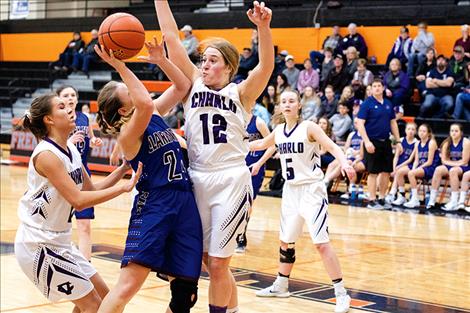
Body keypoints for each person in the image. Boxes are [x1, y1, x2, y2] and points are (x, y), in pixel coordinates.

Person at [154, 1, 274, 312]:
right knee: (209, 261)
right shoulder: (192, 83)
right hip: (197, 178)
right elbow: (170, 37)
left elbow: (265, 68)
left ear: (229, 67)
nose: (205, 65)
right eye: (203, 60)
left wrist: (263, 28)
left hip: (231, 179)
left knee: (219, 264)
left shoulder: (242, 93)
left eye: (212, 60)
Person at [93, 37, 203, 313]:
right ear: (122, 109)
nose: (136, 91)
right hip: (155, 203)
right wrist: (119, 65)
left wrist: (162, 60)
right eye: (128, 92)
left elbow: (183, 86)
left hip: (184, 200)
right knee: (129, 286)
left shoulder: (150, 111)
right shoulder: (129, 134)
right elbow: (143, 101)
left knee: (185, 293)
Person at [15, 93, 141, 312]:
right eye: (62, 107)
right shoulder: (47, 155)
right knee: (93, 305)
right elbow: (79, 200)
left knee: (107, 299)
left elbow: (90, 189)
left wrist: (123, 170)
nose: (70, 109)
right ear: (49, 119)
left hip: (61, 242)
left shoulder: (71, 149)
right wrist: (123, 188)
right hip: (39, 245)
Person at [250, 90, 354, 313]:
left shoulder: (309, 127)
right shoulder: (278, 131)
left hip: (311, 190)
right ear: (279, 106)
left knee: (321, 243)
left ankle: (341, 293)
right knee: (285, 241)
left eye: (291, 101)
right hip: (290, 191)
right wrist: (233, 144)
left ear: (299, 105)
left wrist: (344, 163)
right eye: (283, 101)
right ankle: (281, 284)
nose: (287, 104)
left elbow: (334, 147)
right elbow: (260, 145)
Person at [56, 85, 103, 262]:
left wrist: (95, 141)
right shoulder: (56, 119)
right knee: (60, 225)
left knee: (84, 225)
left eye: (73, 95)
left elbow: (90, 140)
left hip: (82, 173)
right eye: (66, 95)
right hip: (61, 174)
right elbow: (49, 147)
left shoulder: (84, 118)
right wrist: (68, 142)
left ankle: (86, 266)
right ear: (59, 98)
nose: (70, 98)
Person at [356, 78, 401, 210]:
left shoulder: (388, 103)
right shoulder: (367, 104)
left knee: (386, 171)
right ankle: (372, 199)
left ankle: (382, 198)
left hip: (385, 141)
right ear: (371, 89)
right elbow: (360, 123)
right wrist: (367, 141)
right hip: (372, 141)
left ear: (383, 88)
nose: (376, 88)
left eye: (378, 86)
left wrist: (398, 141)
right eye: (374, 86)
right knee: (373, 172)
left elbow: (393, 122)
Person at [236, 114, 276, 253]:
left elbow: (272, 145)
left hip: (254, 168)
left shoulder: (258, 122)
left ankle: (241, 235)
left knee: (247, 202)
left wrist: (259, 163)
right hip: (237, 166)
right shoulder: (234, 118)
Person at [426, 123, 469, 211]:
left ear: (461, 132)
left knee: (453, 171)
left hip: (465, 167)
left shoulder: (466, 142)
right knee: (438, 169)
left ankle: (454, 201)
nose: (454, 133)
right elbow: (443, 161)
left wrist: (451, 163)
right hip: (455, 165)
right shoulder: (446, 142)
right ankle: (432, 200)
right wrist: (455, 163)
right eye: (452, 131)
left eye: (456, 131)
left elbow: (465, 161)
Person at [324, 119, 366, 200]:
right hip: (350, 156)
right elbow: (346, 147)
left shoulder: (365, 135)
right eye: (355, 123)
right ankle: (325, 186)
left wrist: (355, 152)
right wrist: (348, 151)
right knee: (332, 164)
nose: (356, 124)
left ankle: (326, 180)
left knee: (344, 164)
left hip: (359, 157)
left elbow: (363, 152)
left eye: (357, 123)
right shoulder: (352, 134)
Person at [403, 124, 440, 209]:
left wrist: (417, 169)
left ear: (428, 133)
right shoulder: (417, 143)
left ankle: (415, 199)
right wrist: (413, 169)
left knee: (411, 174)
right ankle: (413, 197)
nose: (421, 133)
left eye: (424, 131)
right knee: (411, 173)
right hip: (422, 167)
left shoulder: (431, 142)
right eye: (420, 131)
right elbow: (416, 160)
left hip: (431, 167)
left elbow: (430, 161)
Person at [385, 122, 418, 205]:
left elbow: (410, 160)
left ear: (415, 132)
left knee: (399, 171)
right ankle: (389, 193)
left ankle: (393, 193)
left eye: (413, 129)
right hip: (399, 165)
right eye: (409, 129)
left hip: (409, 165)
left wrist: (397, 167)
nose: (410, 131)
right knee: (391, 171)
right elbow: (396, 157)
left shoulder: (417, 143)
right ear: (405, 130)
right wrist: (393, 168)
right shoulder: (401, 140)